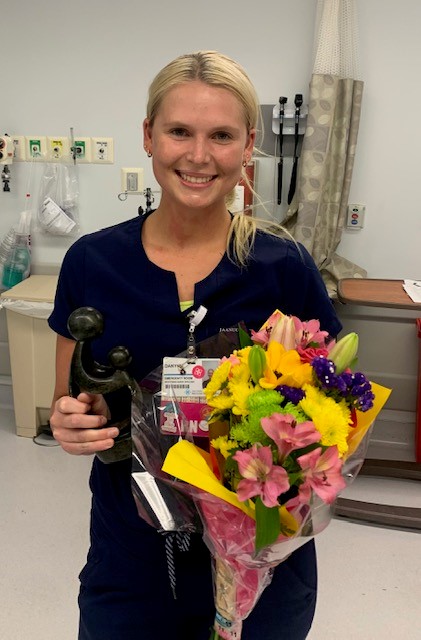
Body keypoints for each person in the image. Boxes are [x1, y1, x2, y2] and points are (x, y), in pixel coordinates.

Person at [49, 50, 342, 640]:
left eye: (222, 135)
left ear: (247, 146)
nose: (199, 155)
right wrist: (73, 422)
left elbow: (332, 416)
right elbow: (70, 399)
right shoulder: (94, 263)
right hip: (133, 557)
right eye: (179, 131)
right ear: (148, 136)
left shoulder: (283, 268)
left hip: (261, 564)